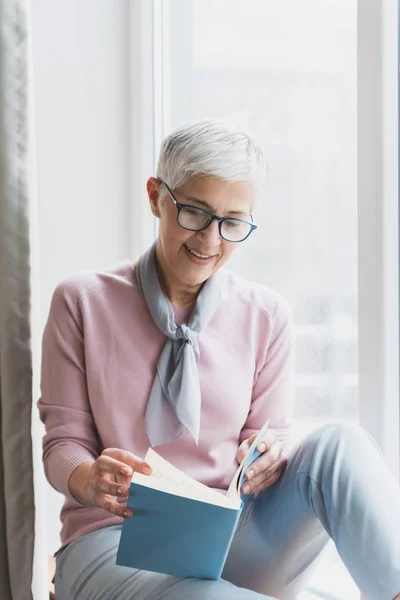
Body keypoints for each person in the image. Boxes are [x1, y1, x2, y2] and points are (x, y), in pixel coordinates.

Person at [38, 120, 400, 600]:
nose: (210, 240)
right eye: (194, 212)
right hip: (113, 541)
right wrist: (89, 480)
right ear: (155, 197)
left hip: (225, 540)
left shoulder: (266, 315)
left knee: (341, 444)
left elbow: (264, 438)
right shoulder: (81, 301)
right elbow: (62, 444)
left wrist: (268, 456)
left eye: (232, 222)